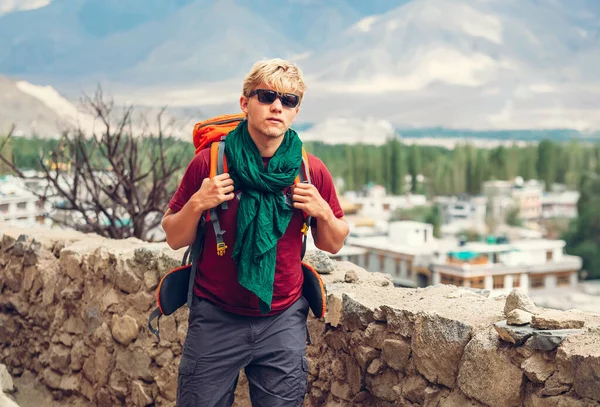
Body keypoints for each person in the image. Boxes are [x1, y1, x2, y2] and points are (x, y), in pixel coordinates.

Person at [161, 58, 349, 407]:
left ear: (296, 112)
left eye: (288, 101)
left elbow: (333, 242)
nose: (277, 106)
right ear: (245, 103)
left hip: (282, 319)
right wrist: (198, 202)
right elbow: (174, 236)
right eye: (266, 96)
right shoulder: (210, 163)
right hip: (215, 317)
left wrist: (322, 210)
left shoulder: (310, 170)